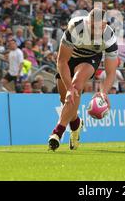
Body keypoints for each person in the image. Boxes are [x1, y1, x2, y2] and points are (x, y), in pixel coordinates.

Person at [48, 8, 119, 152]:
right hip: (69, 58)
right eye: (93, 27)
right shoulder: (75, 27)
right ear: (88, 22)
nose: (97, 30)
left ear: (105, 25)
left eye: (101, 27)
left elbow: (111, 72)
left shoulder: (109, 36)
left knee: (77, 85)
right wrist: (68, 88)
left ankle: (57, 132)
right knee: (65, 99)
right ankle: (75, 123)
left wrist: (103, 92)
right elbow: (62, 61)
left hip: (90, 59)